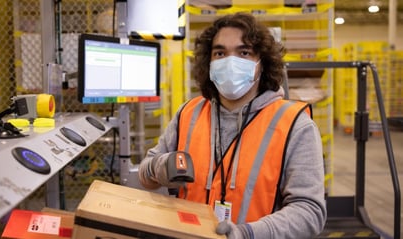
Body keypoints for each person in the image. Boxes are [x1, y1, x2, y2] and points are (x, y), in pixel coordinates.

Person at [138, 12, 326, 239]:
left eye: (244, 52)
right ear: (209, 62)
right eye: (220, 53)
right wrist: (158, 167)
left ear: (262, 63)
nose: (230, 61)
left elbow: (309, 212)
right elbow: (145, 174)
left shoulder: (295, 125)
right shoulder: (188, 113)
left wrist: (247, 234)